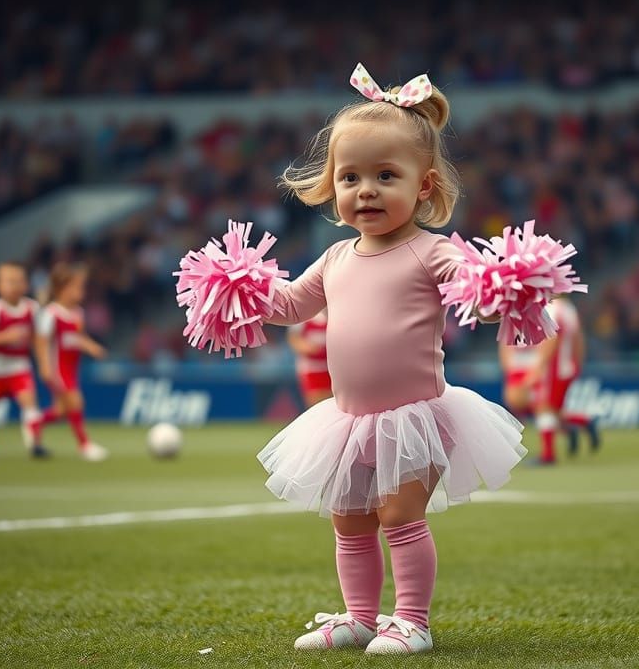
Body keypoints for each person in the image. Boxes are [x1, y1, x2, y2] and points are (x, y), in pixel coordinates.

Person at [192, 66, 531, 655]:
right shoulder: (335, 257)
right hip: (345, 421)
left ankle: (412, 620)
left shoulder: (431, 251)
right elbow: (293, 303)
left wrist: (499, 280)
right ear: (331, 185)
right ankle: (358, 616)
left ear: (423, 187)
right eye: (349, 177)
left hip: (415, 417)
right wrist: (242, 289)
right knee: (349, 522)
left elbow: (470, 281)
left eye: (385, 175)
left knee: (400, 515)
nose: (365, 190)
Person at [34, 263, 109, 462]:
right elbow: (42, 342)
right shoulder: (52, 313)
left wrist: (91, 347)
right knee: (76, 402)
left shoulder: (78, 313)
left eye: (81, 287)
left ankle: (34, 424)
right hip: (57, 367)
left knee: (61, 411)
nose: (79, 292)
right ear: (60, 289)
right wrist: (44, 366)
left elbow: (78, 337)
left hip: (71, 367)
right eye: (75, 287)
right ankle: (84, 445)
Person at [0, 262, 49, 459]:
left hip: (19, 366)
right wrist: (5, 337)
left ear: (26, 284)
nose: (14, 286)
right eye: (9, 282)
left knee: (30, 403)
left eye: (18, 281)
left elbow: (39, 338)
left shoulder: (31, 308)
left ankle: (36, 444)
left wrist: (43, 364)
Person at [529, 295, 594, 464]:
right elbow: (579, 338)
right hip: (567, 366)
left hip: (555, 367)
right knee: (553, 409)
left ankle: (548, 455)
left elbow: (552, 338)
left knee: (544, 407)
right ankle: (584, 422)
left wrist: (539, 366)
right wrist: (577, 364)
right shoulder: (569, 309)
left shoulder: (552, 309)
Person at [286, 310, 333, 408]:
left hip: (331, 368)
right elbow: (294, 340)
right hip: (311, 368)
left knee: (332, 404)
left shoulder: (333, 316)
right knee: (316, 406)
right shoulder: (304, 317)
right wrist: (308, 348)